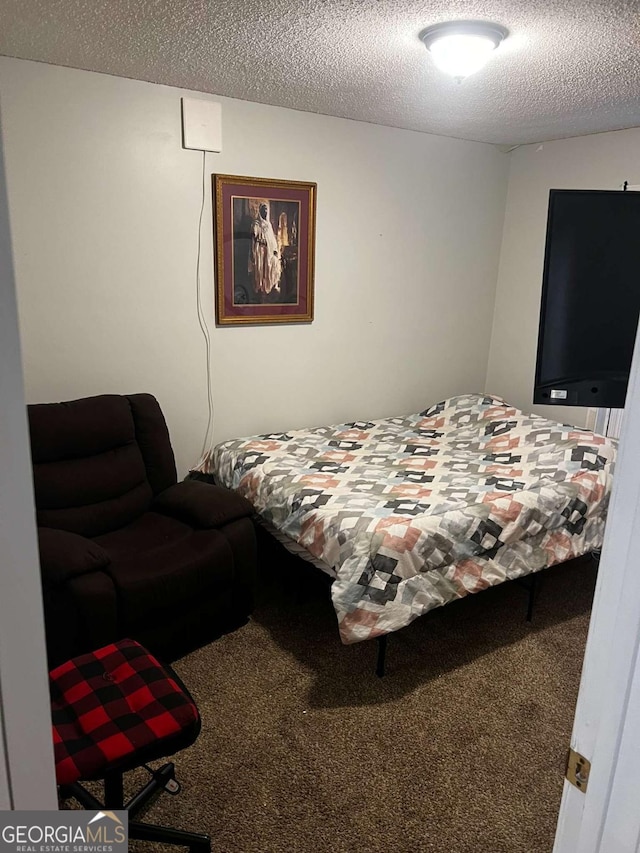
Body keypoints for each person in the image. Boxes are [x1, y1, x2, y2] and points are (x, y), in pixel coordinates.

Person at [250, 201, 281, 296]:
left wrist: (275, 249)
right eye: (264, 210)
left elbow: (272, 238)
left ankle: (268, 287)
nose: (265, 212)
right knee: (260, 269)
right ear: (260, 211)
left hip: (269, 251)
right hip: (260, 250)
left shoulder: (269, 225)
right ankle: (260, 289)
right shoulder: (256, 223)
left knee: (268, 267)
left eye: (267, 210)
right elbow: (253, 237)